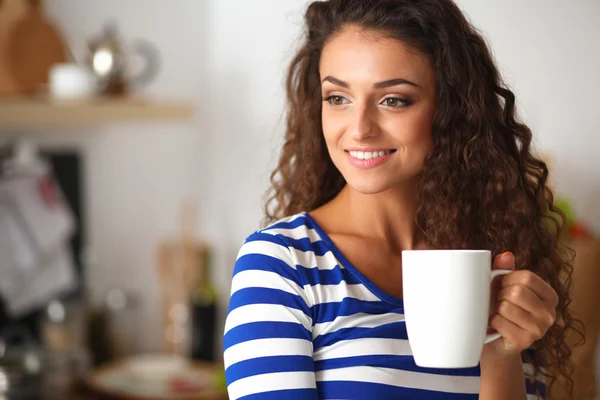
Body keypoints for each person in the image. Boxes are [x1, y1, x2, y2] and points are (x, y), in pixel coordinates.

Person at [223, 0, 581, 398]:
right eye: (338, 98)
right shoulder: (282, 265)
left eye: (393, 99)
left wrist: (500, 357)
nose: (359, 129)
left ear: (451, 109)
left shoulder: (498, 270)